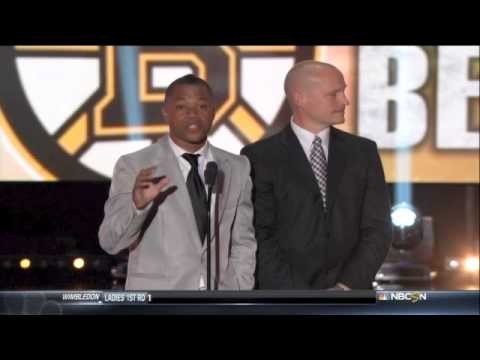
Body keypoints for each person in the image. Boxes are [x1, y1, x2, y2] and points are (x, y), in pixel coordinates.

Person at [241, 61, 392, 289]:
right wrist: (300, 296)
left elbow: (377, 228)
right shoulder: (259, 157)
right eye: (335, 94)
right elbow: (258, 234)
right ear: (300, 98)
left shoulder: (363, 152)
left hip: (349, 299)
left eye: (344, 91)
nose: (345, 100)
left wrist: (346, 286)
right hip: (284, 300)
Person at [99, 74, 256, 290]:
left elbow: (243, 239)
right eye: (182, 107)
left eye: (202, 106)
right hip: (160, 301)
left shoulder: (237, 167)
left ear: (213, 112)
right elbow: (110, 242)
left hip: (220, 300)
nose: (193, 115)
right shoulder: (134, 165)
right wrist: (137, 207)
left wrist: (239, 288)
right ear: (166, 112)